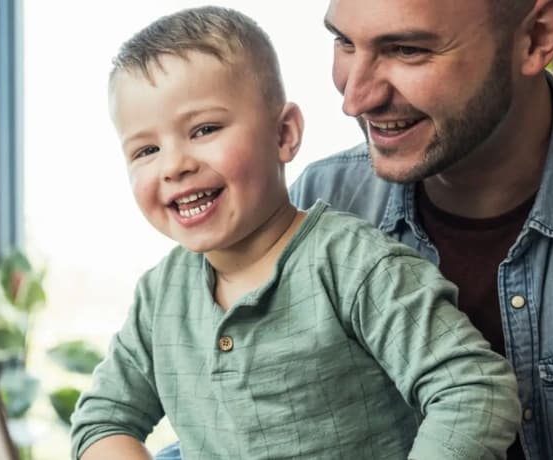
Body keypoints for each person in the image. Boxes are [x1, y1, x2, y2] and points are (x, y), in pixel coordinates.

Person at [156, 0, 553, 458]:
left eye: (407, 50)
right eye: (345, 43)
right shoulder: (319, 201)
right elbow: (244, 433)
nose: (354, 98)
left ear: (536, 35)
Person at [69, 6, 521, 459]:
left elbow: (473, 392)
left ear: (284, 134)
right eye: (146, 150)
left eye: (204, 130)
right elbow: (103, 420)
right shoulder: (160, 297)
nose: (174, 166)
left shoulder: (356, 266)